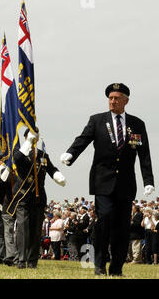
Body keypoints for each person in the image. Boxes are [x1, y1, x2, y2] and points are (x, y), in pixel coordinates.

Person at [60, 83, 155, 276]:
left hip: (126, 184)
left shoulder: (137, 124)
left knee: (121, 227)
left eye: (117, 98)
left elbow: (144, 154)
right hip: (102, 182)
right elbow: (83, 139)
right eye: (110, 98)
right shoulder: (97, 120)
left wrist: (149, 180)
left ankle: (117, 268)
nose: (113, 101)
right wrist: (70, 153)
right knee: (104, 220)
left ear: (126, 101)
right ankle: (99, 264)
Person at [8, 128, 66, 268]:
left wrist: (58, 175)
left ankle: (32, 260)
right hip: (23, 197)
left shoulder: (42, 155)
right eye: (32, 135)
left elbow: (51, 168)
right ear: (26, 137)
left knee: (35, 231)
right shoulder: (19, 152)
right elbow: (17, 159)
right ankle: (21, 259)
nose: (35, 138)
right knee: (22, 229)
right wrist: (28, 142)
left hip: (39, 198)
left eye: (36, 136)